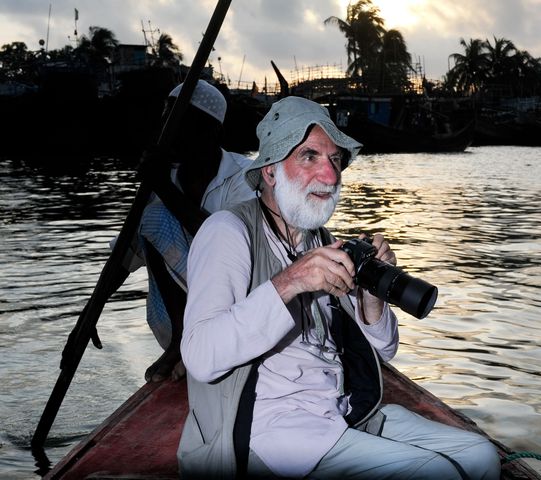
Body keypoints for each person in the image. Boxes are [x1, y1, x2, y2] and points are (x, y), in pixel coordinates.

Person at [178, 96, 501, 479]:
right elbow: (199, 356)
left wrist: (372, 295)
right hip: (272, 432)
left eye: (334, 160)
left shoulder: (319, 240)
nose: (330, 177)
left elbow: (383, 351)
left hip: (340, 411)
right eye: (309, 157)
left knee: (481, 456)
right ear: (269, 171)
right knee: (436, 473)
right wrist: (289, 282)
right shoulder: (228, 232)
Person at [128, 79, 256, 382]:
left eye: (175, 121)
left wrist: (162, 186)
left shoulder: (244, 177)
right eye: (164, 118)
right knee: (152, 217)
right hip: (179, 314)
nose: (163, 130)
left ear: (208, 131)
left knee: (159, 215)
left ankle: (182, 344)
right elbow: (126, 254)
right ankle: (181, 340)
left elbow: (227, 243)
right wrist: (88, 315)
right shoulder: (164, 180)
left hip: (236, 304)